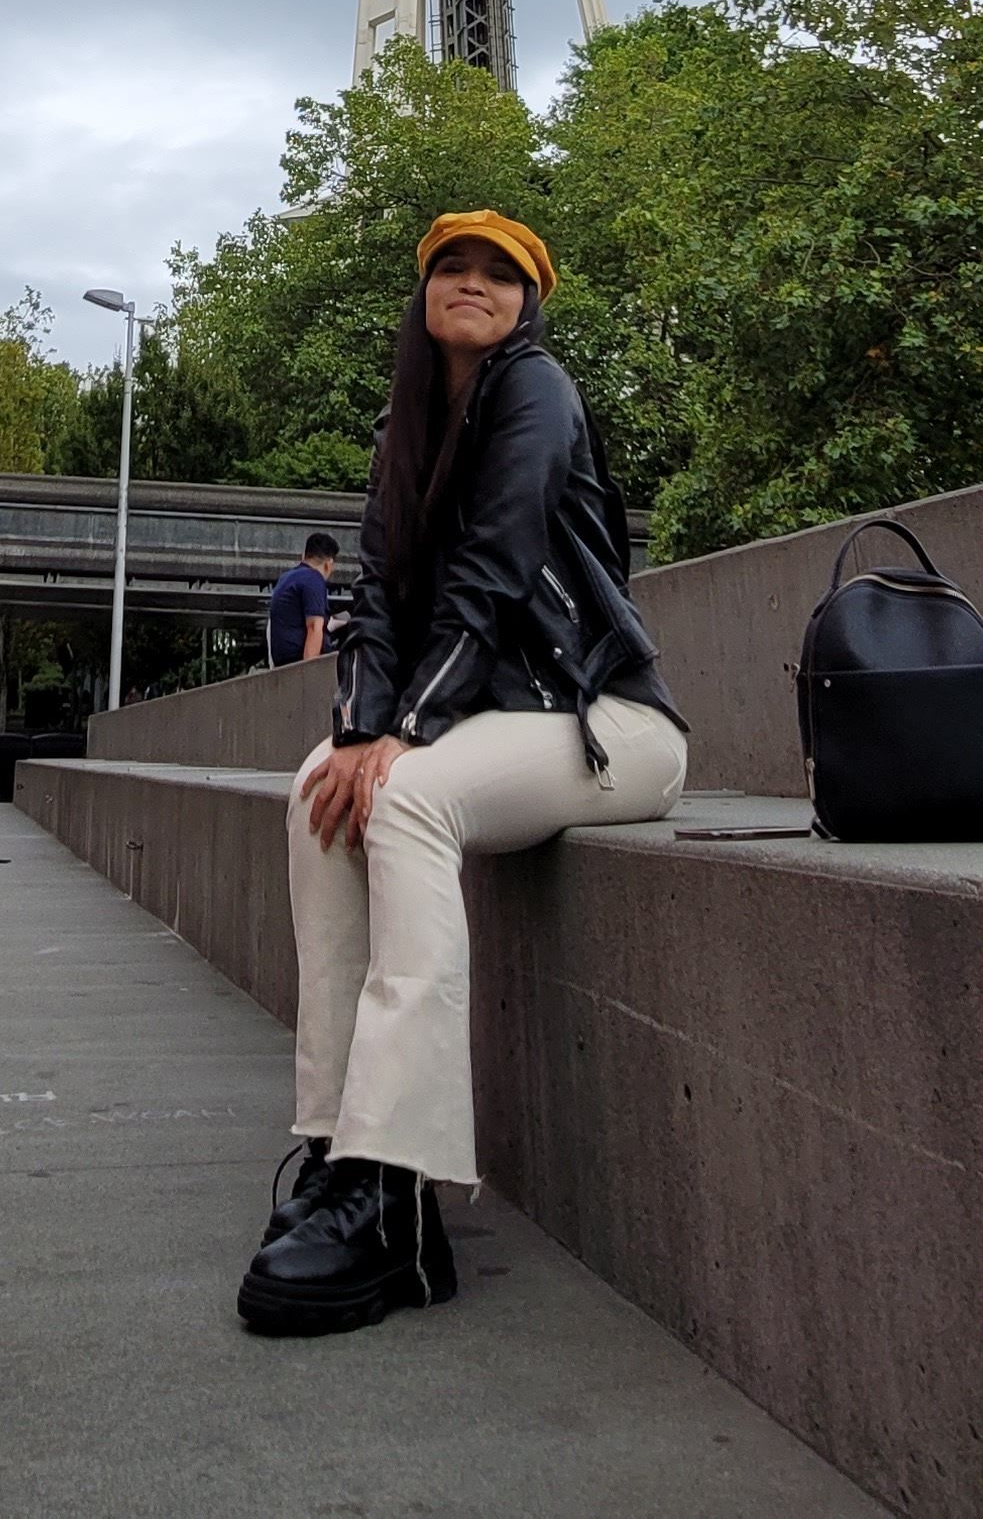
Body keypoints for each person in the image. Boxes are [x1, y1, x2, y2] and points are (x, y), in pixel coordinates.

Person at [238, 212, 688, 1337]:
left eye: (502, 274)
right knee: (319, 795)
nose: (473, 285)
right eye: (454, 268)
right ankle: (339, 1149)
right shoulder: (408, 421)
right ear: (424, 290)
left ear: (528, 301)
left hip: (606, 722)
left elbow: (495, 569)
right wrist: (354, 730)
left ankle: (394, 1192)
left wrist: (408, 732)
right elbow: (378, 595)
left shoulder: (535, 395)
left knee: (409, 798)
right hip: (495, 722)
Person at [267, 533, 340, 668]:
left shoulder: (286, 578)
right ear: (328, 565)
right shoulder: (313, 579)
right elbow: (313, 627)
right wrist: (308, 671)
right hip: (298, 661)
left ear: (303, 556)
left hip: (282, 661)